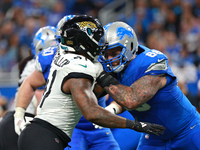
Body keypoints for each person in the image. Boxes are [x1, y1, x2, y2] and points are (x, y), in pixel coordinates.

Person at [15, 15, 165, 150]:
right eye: (94, 37)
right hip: (49, 134)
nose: (99, 43)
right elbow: (91, 112)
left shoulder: (70, 58)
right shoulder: (80, 67)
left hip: (49, 133)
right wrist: (134, 125)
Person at [97, 21, 200, 150]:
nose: (109, 59)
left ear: (130, 47)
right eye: (106, 54)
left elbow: (132, 99)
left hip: (187, 130)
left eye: (114, 53)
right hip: (154, 137)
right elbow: (125, 95)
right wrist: (113, 109)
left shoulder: (151, 61)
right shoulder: (117, 68)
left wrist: (102, 77)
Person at [0, 25, 59, 150]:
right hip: (23, 122)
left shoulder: (33, 63)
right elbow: (38, 100)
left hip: (21, 121)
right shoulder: (35, 67)